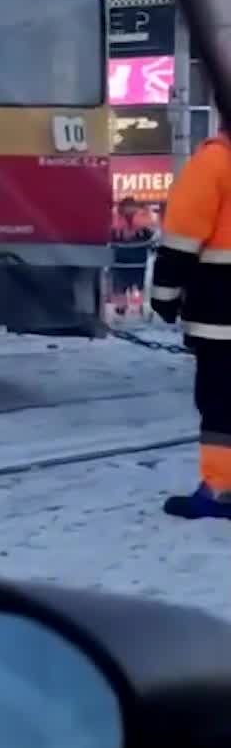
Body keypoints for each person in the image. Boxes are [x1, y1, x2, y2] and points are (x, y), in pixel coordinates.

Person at [151, 121, 231, 519]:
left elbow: (182, 237)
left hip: (222, 315)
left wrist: (165, 294)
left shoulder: (214, 162)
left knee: (220, 403)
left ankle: (220, 490)